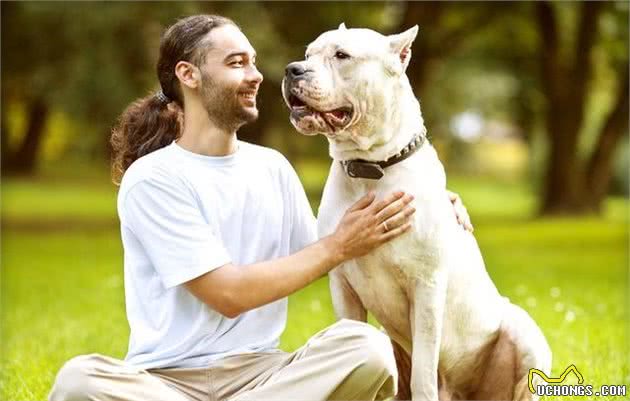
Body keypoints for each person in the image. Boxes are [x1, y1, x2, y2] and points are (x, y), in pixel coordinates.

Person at [49, 15, 472, 401]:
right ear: (189, 75)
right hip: (164, 383)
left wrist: (433, 201)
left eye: (253, 62)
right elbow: (228, 294)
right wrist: (338, 246)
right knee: (79, 381)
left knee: (367, 349)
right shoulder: (154, 178)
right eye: (236, 63)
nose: (256, 76)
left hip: (265, 378)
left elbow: (320, 252)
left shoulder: (272, 168)